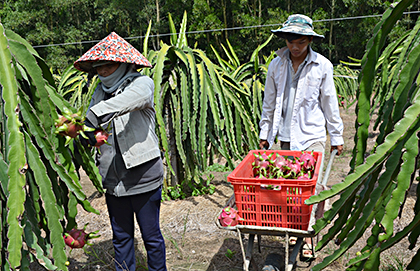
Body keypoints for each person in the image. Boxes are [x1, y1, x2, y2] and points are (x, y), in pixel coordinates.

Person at [74, 32, 167, 271]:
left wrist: (92, 117)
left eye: (108, 65)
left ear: (124, 63)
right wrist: (87, 136)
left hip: (143, 174)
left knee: (151, 237)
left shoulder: (141, 84)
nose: (103, 71)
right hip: (114, 178)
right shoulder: (99, 91)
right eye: (99, 66)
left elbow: (125, 102)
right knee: (121, 238)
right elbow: (96, 129)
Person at [258, 14, 344, 258]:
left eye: (301, 43)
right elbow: (269, 103)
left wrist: (336, 136)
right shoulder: (276, 65)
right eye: (291, 42)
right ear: (284, 40)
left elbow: (329, 103)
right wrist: (266, 133)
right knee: (291, 188)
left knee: (313, 188)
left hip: (312, 135)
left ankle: (308, 238)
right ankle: (295, 230)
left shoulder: (322, 66)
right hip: (285, 137)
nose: (295, 48)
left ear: (309, 41)